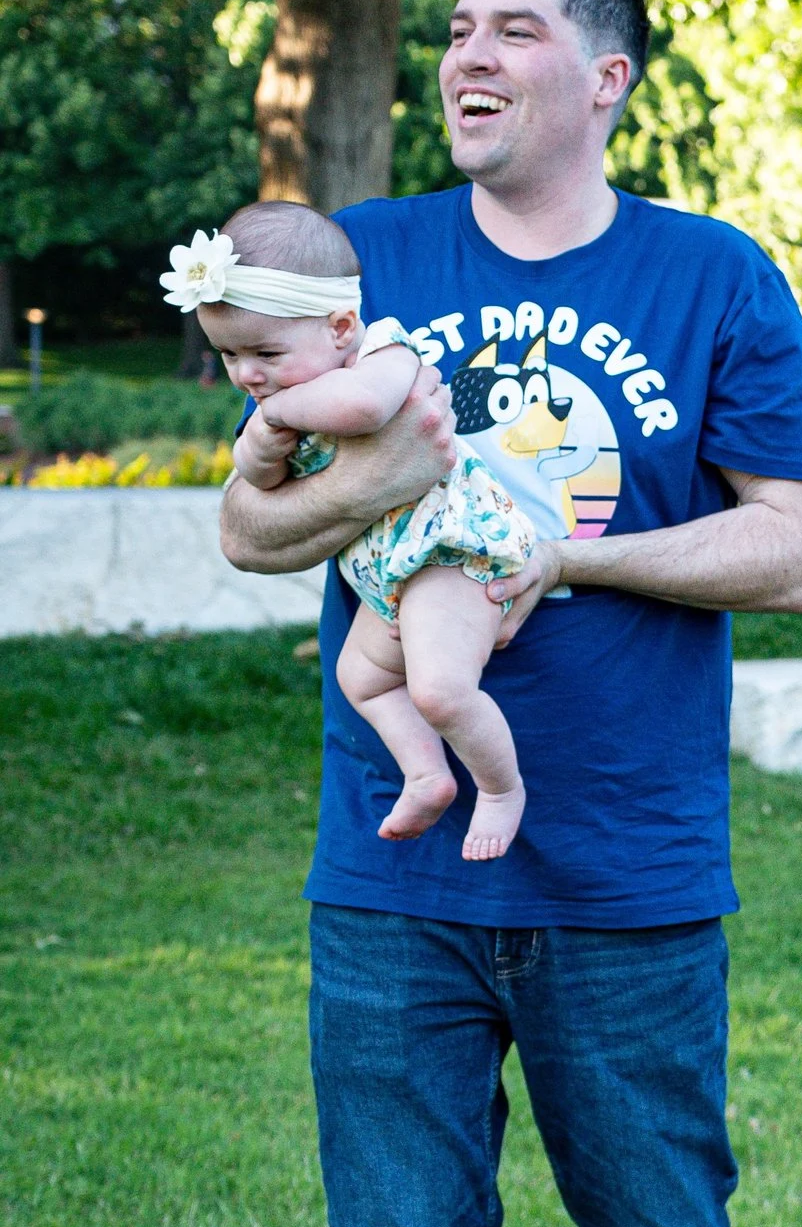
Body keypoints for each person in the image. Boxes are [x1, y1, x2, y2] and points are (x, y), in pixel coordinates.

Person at [220, 0, 802, 1227]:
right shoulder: (370, 261)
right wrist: (382, 490)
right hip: (394, 877)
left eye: (514, 27)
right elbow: (253, 535)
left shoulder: (710, 275)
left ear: (607, 76)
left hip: (633, 874)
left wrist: (551, 549)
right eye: (456, 28)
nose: (468, 53)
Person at [169, 204, 543, 858]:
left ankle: (501, 787)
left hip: (449, 550)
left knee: (439, 686)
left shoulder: (380, 351)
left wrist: (276, 411)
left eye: (263, 353)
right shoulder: (290, 383)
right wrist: (256, 448)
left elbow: (366, 409)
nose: (246, 376)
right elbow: (256, 485)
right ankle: (426, 774)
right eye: (228, 355)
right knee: (359, 676)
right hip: (390, 573)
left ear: (340, 325)